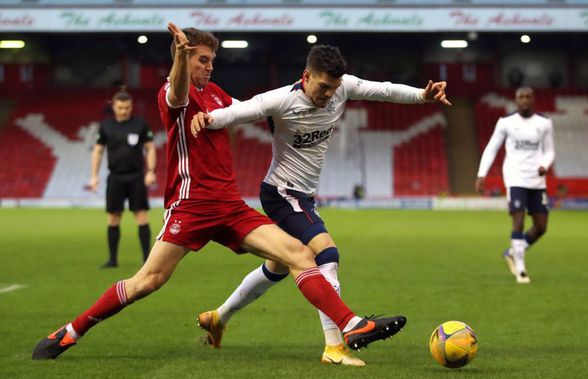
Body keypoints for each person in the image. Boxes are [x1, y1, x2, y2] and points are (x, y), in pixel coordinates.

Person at [32, 24, 407, 361]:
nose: (209, 66)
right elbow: (178, 93)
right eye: (202, 60)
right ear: (184, 58)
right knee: (148, 281)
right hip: (191, 206)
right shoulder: (171, 93)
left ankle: (351, 324)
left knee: (300, 254)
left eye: (212, 60)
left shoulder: (215, 94)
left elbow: (244, 110)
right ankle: (71, 332)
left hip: (230, 206)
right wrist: (180, 60)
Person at [192, 45, 450, 366]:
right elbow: (241, 110)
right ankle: (335, 346)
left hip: (304, 196)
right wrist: (210, 118)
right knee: (326, 253)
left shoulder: (343, 88)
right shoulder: (282, 100)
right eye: (323, 87)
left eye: (334, 88)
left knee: (280, 266)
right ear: (306, 76)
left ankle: (218, 317)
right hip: (282, 193)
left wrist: (422, 97)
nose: (328, 94)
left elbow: (384, 91)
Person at [476, 87, 554, 284]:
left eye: (528, 97)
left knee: (541, 226)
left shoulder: (544, 123)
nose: (524, 100)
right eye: (521, 97)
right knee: (518, 218)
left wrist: (545, 165)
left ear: (533, 99)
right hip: (515, 178)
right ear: (516, 100)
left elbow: (550, 151)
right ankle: (521, 270)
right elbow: (492, 148)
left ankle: (512, 252)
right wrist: (481, 174)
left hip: (537, 180)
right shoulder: (506, 123)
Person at [89, 89, 157, 267]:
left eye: (127, 107)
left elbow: (150, 148)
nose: (124, 111)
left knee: (141, 216)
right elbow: (98, 150)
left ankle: (146, 259)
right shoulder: (106, 126)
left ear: (131, 106)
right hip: (115, 177)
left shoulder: (140, 124)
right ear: (114, 106)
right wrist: (94, 176)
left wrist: (150, 170)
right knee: (113, 217)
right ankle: (112, 259)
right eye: (120, 107)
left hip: (136, 176)